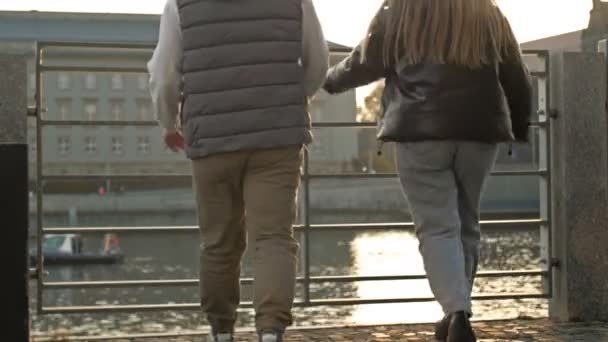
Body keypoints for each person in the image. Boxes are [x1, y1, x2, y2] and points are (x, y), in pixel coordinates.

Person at [323, 1, 532, 341]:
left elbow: (366, 62)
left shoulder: (401, 10)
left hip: (419, 130)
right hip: (480, 132)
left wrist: (330, 80)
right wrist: (519, 127)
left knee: (437, 227)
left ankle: (456, 312)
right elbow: (516, 76)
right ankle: (457, 313)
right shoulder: (485, 12)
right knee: (466, 223)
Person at [147, 0, 329, 341]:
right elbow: (318, 60)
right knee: (273, 237)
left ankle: (221, 331)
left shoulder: (180, 4)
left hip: (211, 139)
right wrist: (291, 99)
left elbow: (163, 73)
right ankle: (271, 331)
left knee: (218, 241)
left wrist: (168, 122)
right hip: (277, 138)